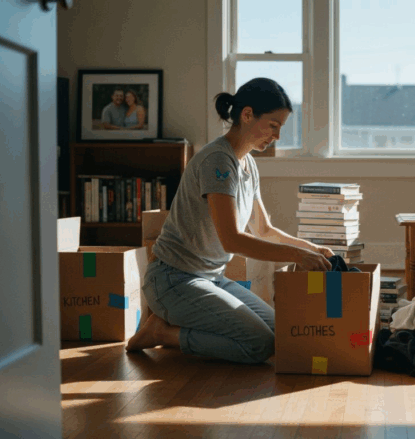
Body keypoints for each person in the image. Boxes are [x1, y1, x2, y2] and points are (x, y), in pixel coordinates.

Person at [125, 78, 334, 364]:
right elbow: (232, 240)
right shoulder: (218, 161)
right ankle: (162, 333)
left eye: (281, 128)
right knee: (259, 344)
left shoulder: (248, 163)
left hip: (212, 278)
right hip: (173, 280)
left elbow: (263, 230)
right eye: (273, 125)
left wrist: (310, 248)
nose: (277, 136)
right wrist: (298, 255)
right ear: (247, 115)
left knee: (281, 334)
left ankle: (176, 326)